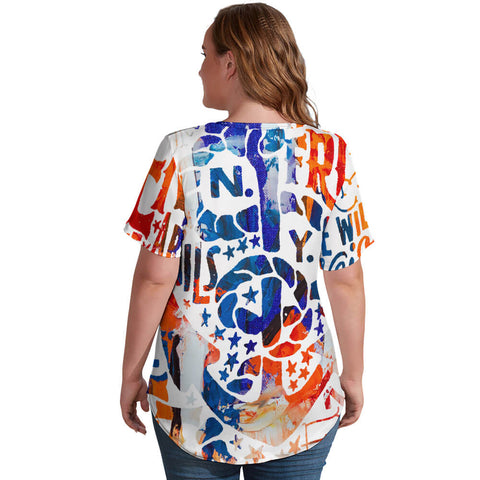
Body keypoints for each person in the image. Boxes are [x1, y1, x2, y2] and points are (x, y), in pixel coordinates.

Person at [120, 3, 374, 479]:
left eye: (205, 55)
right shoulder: (330, 155)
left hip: (190, 401)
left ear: (230, 62)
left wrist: (131, 373)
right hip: (301, 398)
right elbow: (346, 280)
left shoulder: (179, 152)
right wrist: (354, 375)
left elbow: (154, 279)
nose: (200, 68)